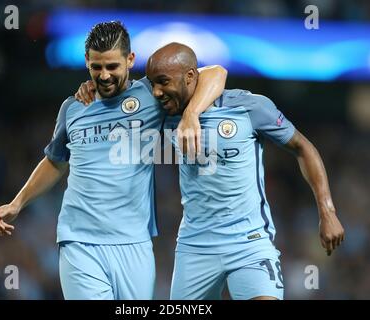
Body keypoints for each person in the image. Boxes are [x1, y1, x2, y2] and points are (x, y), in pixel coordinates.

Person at [0, 22, 227, 300]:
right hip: (79, 241)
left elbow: (216, 73)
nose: (103, 76)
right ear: (87, 62)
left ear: (130, 60)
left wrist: (191, 115)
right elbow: (56, 161)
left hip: (134, 244)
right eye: (96, 67)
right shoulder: (74, 107)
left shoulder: (153, 97)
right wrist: (17, 202)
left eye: (112, 67)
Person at [143, 42, 345, 300]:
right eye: (153, 84)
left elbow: (303, 147)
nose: (157, 92)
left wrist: (327, 210)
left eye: (163, 82)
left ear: (191, 76)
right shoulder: (163, 110)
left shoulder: (247, 107)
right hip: (194, 247)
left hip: (248, 242)